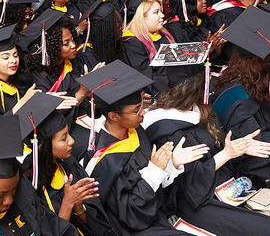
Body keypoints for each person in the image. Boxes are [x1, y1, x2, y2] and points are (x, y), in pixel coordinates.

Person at [78, 61, 209, 236]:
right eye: (136, 110)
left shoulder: (135, 132)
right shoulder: (106, 161)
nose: (143, 113)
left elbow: (154, 182)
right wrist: (155, 171)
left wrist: (171, 164)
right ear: (113, 116)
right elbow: (130, 214)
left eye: (142, 106)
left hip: (157, 214)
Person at [144, 73, 270, 235]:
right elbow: (188, 186)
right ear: (196, 90)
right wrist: (226, 155)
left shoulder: (199, 109)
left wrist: (240, 147)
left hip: (226, 185)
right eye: (205, 83)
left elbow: (218, 146)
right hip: (199, 201)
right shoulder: (166, 129)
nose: (210, 85)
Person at [20, 93, 118, 236]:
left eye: (68, 134)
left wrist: (78, 206)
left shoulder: (70, 166)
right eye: (64, 138)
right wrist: (68, 202)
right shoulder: (29, 184)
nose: (71, 141)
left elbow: (95, 223)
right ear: (42, 146)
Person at [212, 6, 270, 189]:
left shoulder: (242, 76)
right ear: (267, 61)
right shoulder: (241, 104)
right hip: (249, 174)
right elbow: (255, 156)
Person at [121, 0, 176, 94]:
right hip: (159, 95)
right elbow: (146, 77)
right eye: (156, 12)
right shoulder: (131, 42)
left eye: (161, 11)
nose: (162, 15)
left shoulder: (163, 34)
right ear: (141, 17)